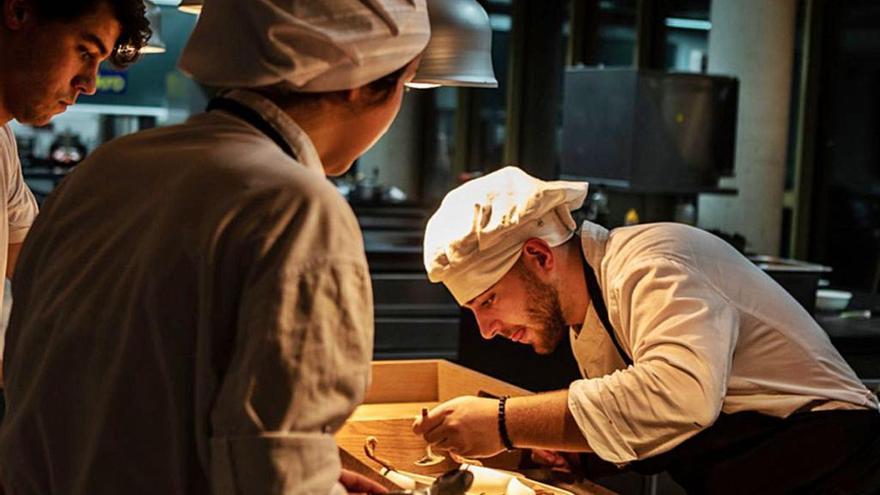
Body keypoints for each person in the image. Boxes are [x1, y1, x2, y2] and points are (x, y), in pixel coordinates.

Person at [0, 0, 430, 493]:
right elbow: (275, 474)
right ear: (362, 81)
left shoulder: (105, 169)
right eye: (404, 84)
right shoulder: (298, 207)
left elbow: (86, 395)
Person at [414, 166, 880, 493]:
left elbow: (681, 394)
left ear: (540, 256)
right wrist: (577, 455)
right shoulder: (589, 309)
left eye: (488, 301)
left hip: (833, 467)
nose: (487, 330)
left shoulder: (650, 264)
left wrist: (503, 423)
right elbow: (651, 419)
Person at [0, 0, 149, 389]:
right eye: (85, 51)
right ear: (18, 12)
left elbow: (35, 266)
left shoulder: (2, 143)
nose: (89, 83)